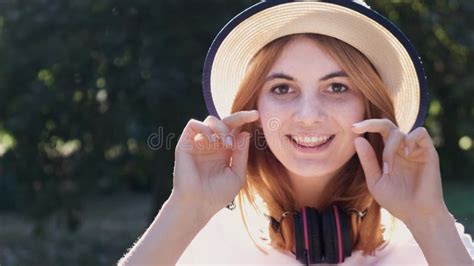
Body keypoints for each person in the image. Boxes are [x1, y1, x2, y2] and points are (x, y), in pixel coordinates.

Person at [118, 1, 474, 265]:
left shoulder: (433, 242)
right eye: (283, 89)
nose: (308, 117)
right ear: (253, 112)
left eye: (336, 88)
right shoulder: (200, 244)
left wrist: (429, 220)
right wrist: (186, 208)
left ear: (371, 108)